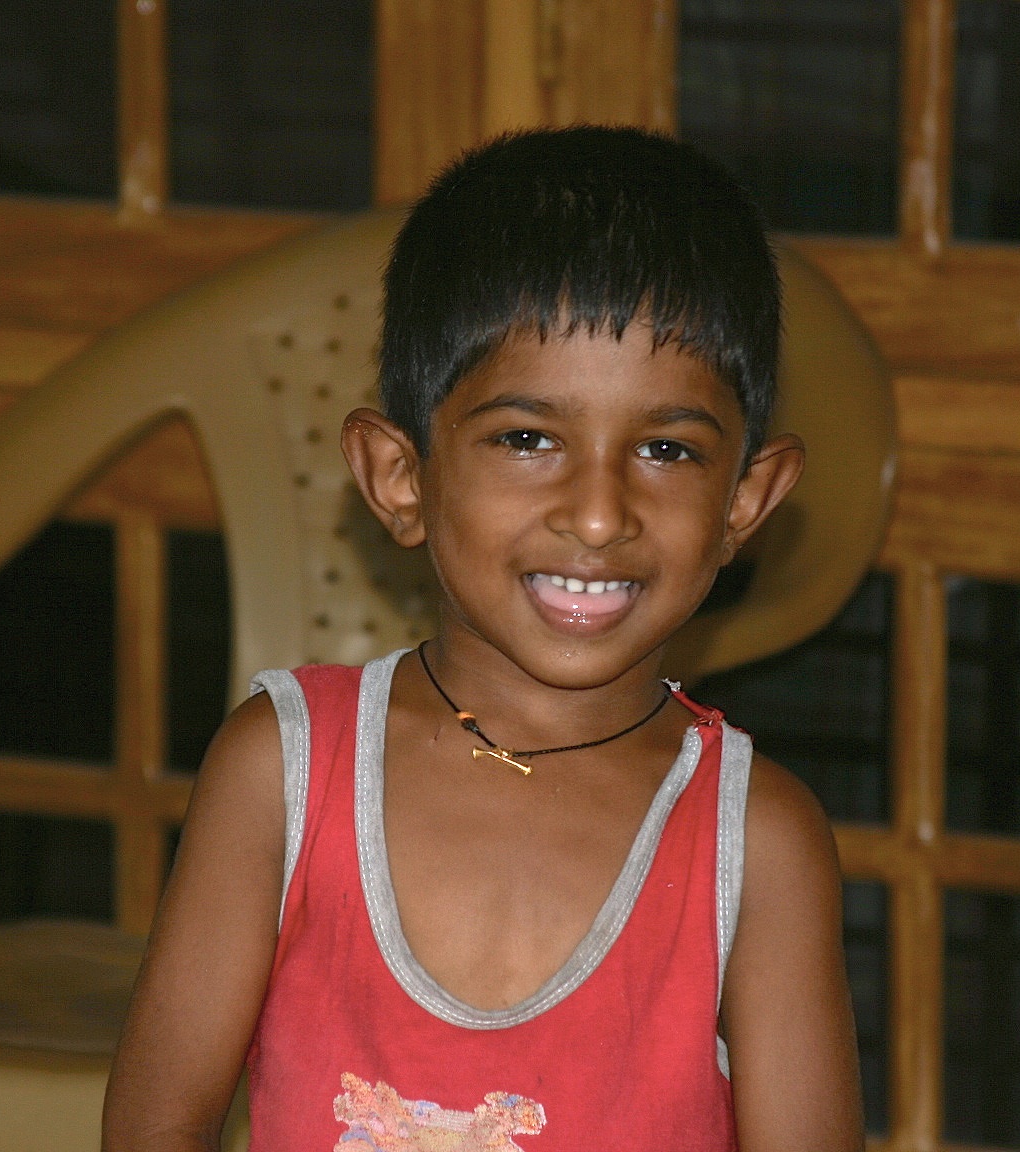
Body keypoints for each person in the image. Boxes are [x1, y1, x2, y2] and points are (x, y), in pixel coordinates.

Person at [103, 125, 863, 1152]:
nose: (599, 513)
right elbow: (154, 1130)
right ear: (399, 477)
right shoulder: (283, 776)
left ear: (747, 500)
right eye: (527, 439)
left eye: (667, 449)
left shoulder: (757, 845)